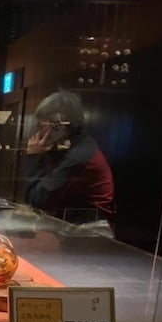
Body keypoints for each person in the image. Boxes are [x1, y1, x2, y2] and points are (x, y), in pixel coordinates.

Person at [22, 90, 115, 226]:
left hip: (89, 232)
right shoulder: (81, 146)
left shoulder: (78, 157)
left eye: (41, 126)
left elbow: (37, 200)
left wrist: (34, 157)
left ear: (58, 128)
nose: (38, 132)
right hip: (79, 226)